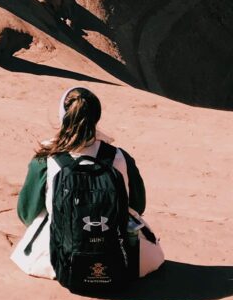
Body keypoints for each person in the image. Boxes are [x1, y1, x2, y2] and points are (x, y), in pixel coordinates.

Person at [11, 86, 164, 281]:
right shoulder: (120, 157)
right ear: (96, 117)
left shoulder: (46, 160)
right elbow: (138, 206)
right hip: (123, 258)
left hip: (57, 259)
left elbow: (26, 212)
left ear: (63, 116)